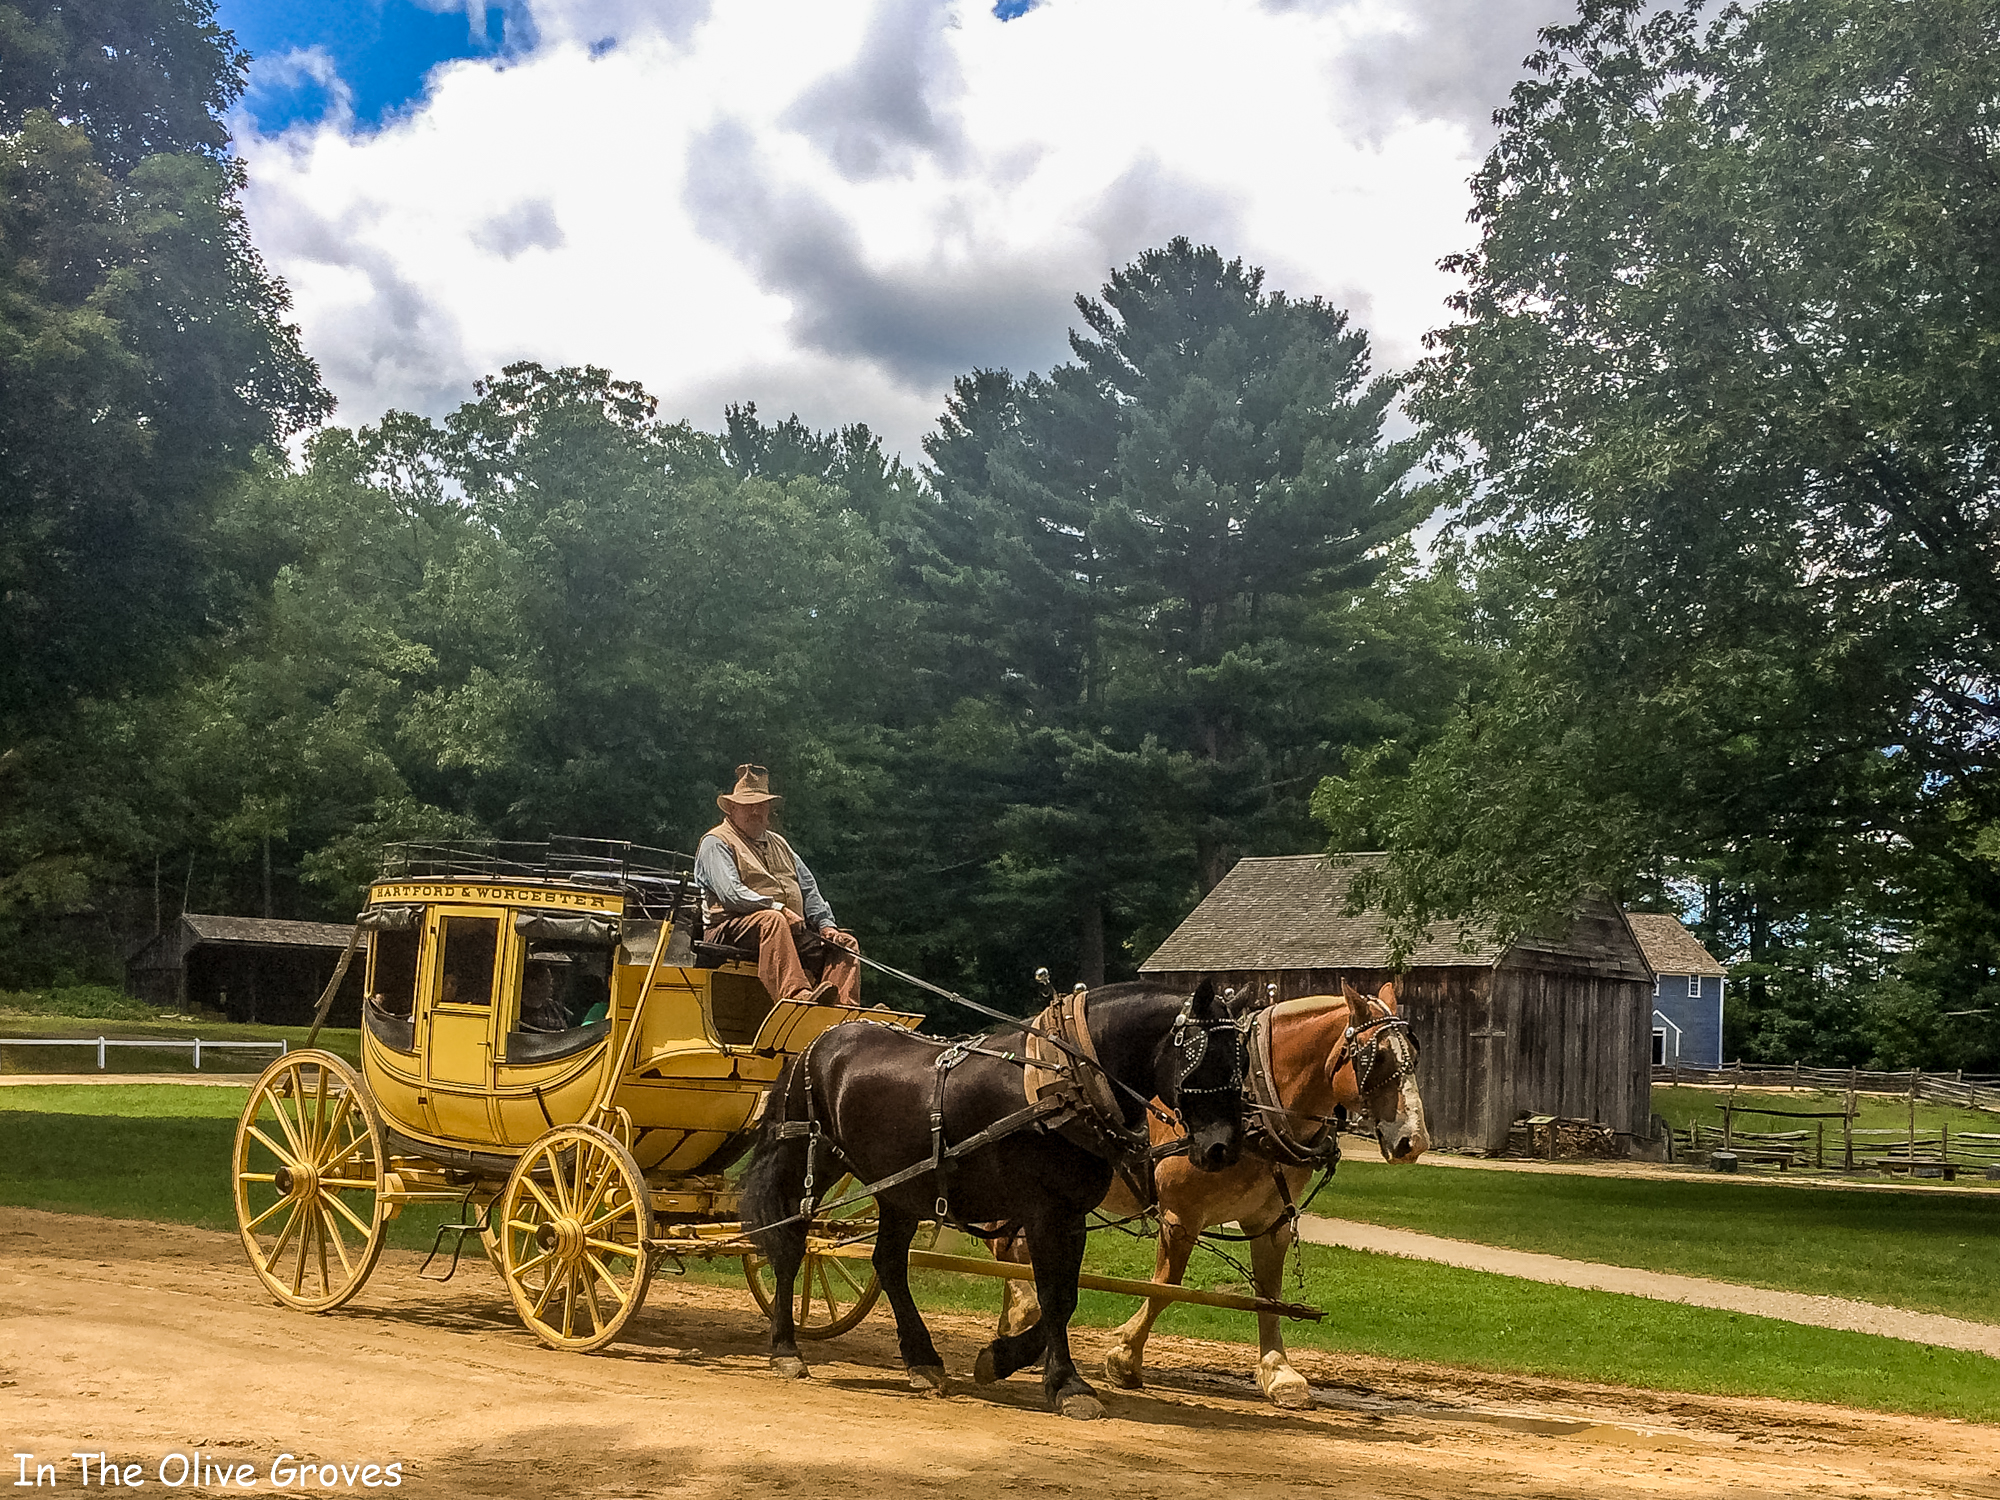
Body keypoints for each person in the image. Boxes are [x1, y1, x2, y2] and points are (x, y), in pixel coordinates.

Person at [695, 764, 861, 1008]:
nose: (755, 811)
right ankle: (797, 997)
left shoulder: (780, 844)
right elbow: (732, 895)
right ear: (731, 808)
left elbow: (809, 890)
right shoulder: (716, 842)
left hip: (785, 928)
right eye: (748, 805)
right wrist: (780, 908)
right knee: (772, 920)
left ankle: (844, 1009)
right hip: (729, 929)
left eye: (761, 805)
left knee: (844, 944)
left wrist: (826, 925)